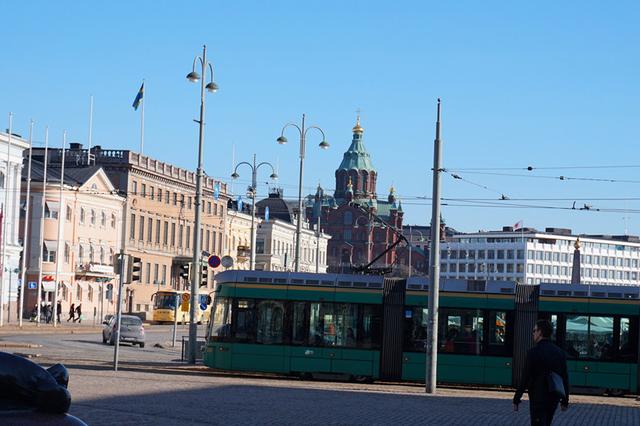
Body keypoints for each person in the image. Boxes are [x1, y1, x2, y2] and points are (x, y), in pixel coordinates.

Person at [513, 319, 570, 425]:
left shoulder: (533, 353)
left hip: (537, 397)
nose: (533, 333)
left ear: (540, 332)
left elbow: (525, 377)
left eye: (534, 331)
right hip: (553, 397)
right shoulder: (560, 353)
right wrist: (565, 400)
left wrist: (517, 399)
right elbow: (565, 378)